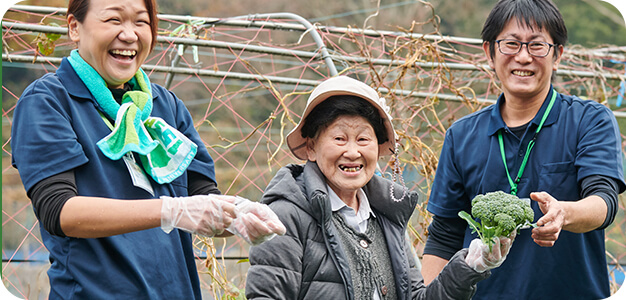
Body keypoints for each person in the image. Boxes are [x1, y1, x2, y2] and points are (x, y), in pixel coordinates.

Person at [10, 0, 285, 298]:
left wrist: (238, 215)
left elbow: (201, 197)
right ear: (75, 28)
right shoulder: (50, 100)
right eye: (114, 20)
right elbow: (58, 210)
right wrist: (170, 209)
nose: (129, 35)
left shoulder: (166, 106)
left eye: (141, 22)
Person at [421, 0, 626, 299]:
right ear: (489, 53)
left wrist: (564, 213)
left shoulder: (589, 120)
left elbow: (604, 201)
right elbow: (444, 234)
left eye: (537, 45)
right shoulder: (461, 135)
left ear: (557, 55)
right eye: (511, 44)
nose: (523, 57)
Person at [245, 75, 514, 300]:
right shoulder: (284, 215)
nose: (352, 152)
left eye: (363, 138)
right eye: (339, 138)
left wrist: (469, 266)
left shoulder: (386, 215)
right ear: (312, 147)